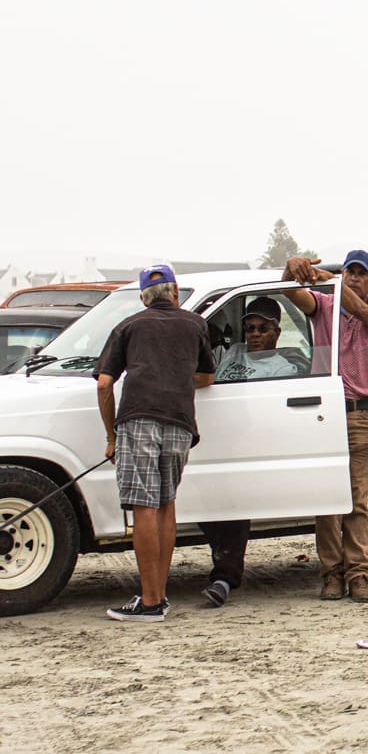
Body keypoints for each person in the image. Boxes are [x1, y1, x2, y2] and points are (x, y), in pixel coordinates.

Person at [95, 265, 216, 622]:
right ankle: (158, 597)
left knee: (143, 506)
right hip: (180, 422)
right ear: (175, 293)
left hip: (139, 419)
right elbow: (207, 376)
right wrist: (175, 379)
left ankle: (149, 602)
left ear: (143, 298)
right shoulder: (195, 324)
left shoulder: (129, 326)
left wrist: (110, 436)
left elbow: (104, 383)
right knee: (166, 502)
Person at [284, 250, 368, 603]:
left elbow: (364, 313)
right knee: (328, 500)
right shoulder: (323, 305)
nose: (355, 278)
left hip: (361, 415)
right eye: (350, 272)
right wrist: (293, 267)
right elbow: (289, 291)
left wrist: (328, 280)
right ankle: (332, 574)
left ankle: (360, 574)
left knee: (356, 501)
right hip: (326, 414)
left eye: (363, 273)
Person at [199, 296, 298, 607]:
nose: (255, 334)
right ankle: (223, 563)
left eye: (263, 328)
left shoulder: (283, 368)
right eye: (250, 328)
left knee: (232, 509)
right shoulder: (234, 352)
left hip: (247, 444)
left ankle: (225, 575)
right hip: (215, 438)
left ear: (277, 333)